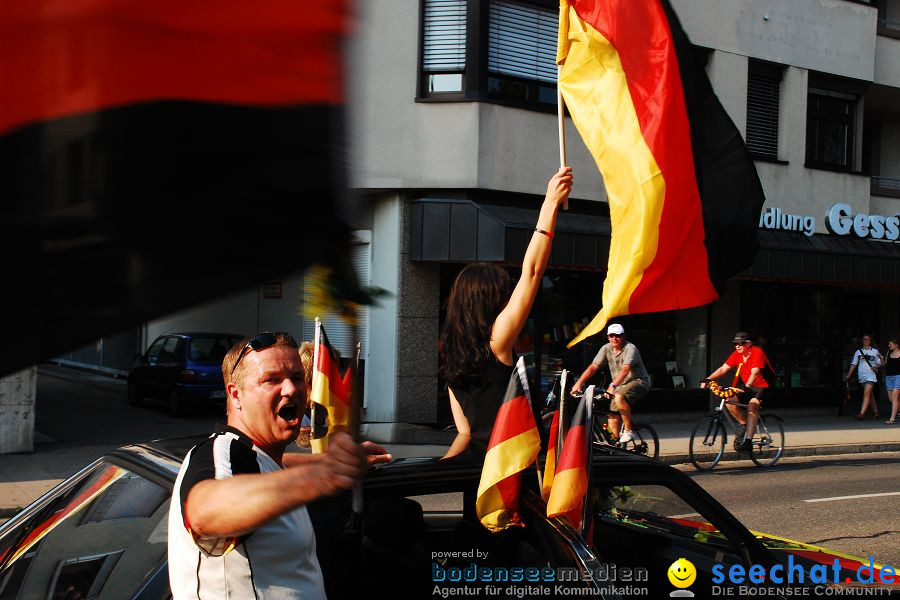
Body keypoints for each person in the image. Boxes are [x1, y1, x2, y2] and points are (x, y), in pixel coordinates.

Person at [167, 332, 390, 599]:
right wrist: (323, 474)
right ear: (235, 395)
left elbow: (272, 465)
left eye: (296, 377)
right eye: (271, 379)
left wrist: (327, 462)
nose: (291, 389)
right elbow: (205, 513)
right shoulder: (224, 452)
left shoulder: (259, 458)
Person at [439, 167, 573, 460]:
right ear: (490, 302)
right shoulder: (498, 342)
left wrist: (440, 469)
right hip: (515, 474)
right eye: (503, 294)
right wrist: (549, 204)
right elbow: (533, 272)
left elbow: (465, 434)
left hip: (480, 479)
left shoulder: (452, 362)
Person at [571, 323, 651, 443]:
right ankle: (615, 445)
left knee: (618, 397)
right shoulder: (606, 348)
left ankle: (629, 431)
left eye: (618, 335)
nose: (614, 338)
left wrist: (612, 386)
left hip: (639, 381)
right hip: (620, 385)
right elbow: (593, 367)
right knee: (612, 415)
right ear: (608, 337)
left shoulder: (630, 348)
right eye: (612, 335)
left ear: (623, 336)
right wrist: (579, 383)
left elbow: (625, 370)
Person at [701, 331, 771, 452]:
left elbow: (755, 373)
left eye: (741, 343)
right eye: (736, 344)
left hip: (763, 386)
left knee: (752, 407)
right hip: (748, 386)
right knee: (729, 401)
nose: (737, 346)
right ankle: (745, 425)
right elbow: (723, 368)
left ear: (748, 343)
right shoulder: (737, 354)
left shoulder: (756, 352)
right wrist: (708, 379)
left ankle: (748, 442)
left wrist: (746, 387)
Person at [846, 334, 883, 421]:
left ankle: (861, 413)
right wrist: (849, 374)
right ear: (862, 341)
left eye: (868, 339)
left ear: (870, 341)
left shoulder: (875, 351)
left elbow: (880, 362)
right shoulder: (858, 352)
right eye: (864, 339)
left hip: (871, 374)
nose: (866, 341)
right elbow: (854, 363)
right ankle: (876, 413)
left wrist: (876, 367)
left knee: (866, 393)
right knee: (870, 394)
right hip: (861, 375)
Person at [881, 337, 899, 424]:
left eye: (890, 344)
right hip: (889, 377)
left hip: (898, 377)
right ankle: (898, 410)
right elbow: (885, 364)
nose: (889, 346)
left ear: (896, 345)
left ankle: (892, 419)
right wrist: (881, 359)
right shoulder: (888, 352)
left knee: (895, 396)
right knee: (891, 399)